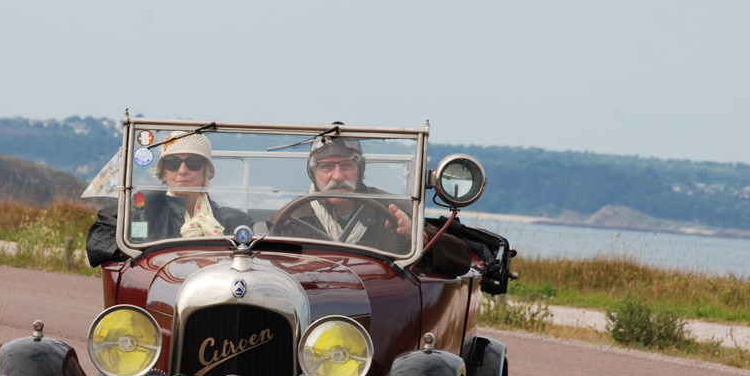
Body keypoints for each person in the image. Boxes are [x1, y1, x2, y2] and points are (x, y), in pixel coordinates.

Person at [271, 134, 473, 274]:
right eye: (326, 166)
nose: (338, 176)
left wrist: (417, 235)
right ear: (313, 173)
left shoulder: (394, 209)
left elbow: (462, 259)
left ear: (360, 168)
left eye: (347, 165)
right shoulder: (289, 219)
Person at [86, 131, 251, 267]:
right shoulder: (142, 205)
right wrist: (135, 257)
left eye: (193, 163)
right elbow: (99, 236)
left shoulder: (233, 222)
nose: (182, 170)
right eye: (173, 163)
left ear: (205, 170)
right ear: (163, 172)